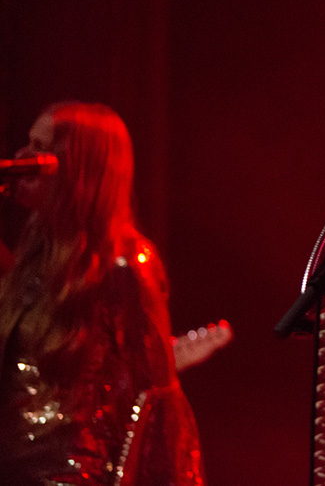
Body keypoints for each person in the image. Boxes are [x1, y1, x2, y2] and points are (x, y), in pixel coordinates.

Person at [0, 102, 204, 485]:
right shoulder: (34, 256)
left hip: (73, 476)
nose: (21, 158)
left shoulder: (125, 267)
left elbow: (157, 404)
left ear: (76, 167)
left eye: (38, 148)